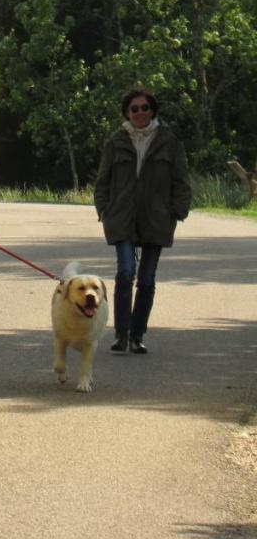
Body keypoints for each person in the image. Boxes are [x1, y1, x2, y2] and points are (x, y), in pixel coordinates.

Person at [93, 89, 192, 355]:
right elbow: (103, 179)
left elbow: (181, 180)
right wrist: (104, 209)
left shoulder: (169, 142)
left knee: (146, 280)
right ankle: (121, 334)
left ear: (153, 111)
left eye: (145, 108)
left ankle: (138, 335)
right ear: (126, 112)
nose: (140, 112)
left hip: (156, 219)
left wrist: (177, 210)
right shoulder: (116, 141)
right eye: (134, 108)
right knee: (126, 272)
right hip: (121, 218)